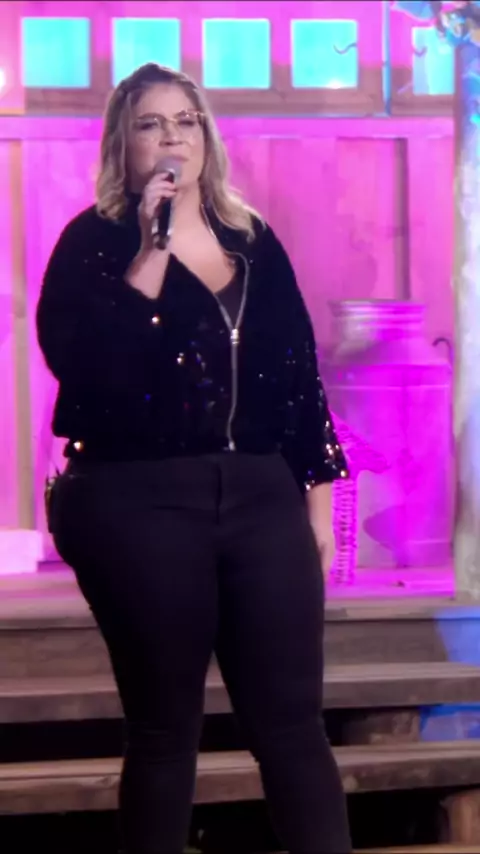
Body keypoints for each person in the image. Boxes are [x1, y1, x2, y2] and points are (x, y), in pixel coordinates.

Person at [37, 63, 351, 854]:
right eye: (151, 123)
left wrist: (316, 506)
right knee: (165, 727)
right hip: (135, 497)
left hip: (261, 495)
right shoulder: (93, 243)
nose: (173, 136)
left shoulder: (253, 240)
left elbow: (299, 376)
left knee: (293, 724)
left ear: (206, 136)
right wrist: (152, 246)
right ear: (124, 142)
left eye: (186, 120)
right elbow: (89, 368)